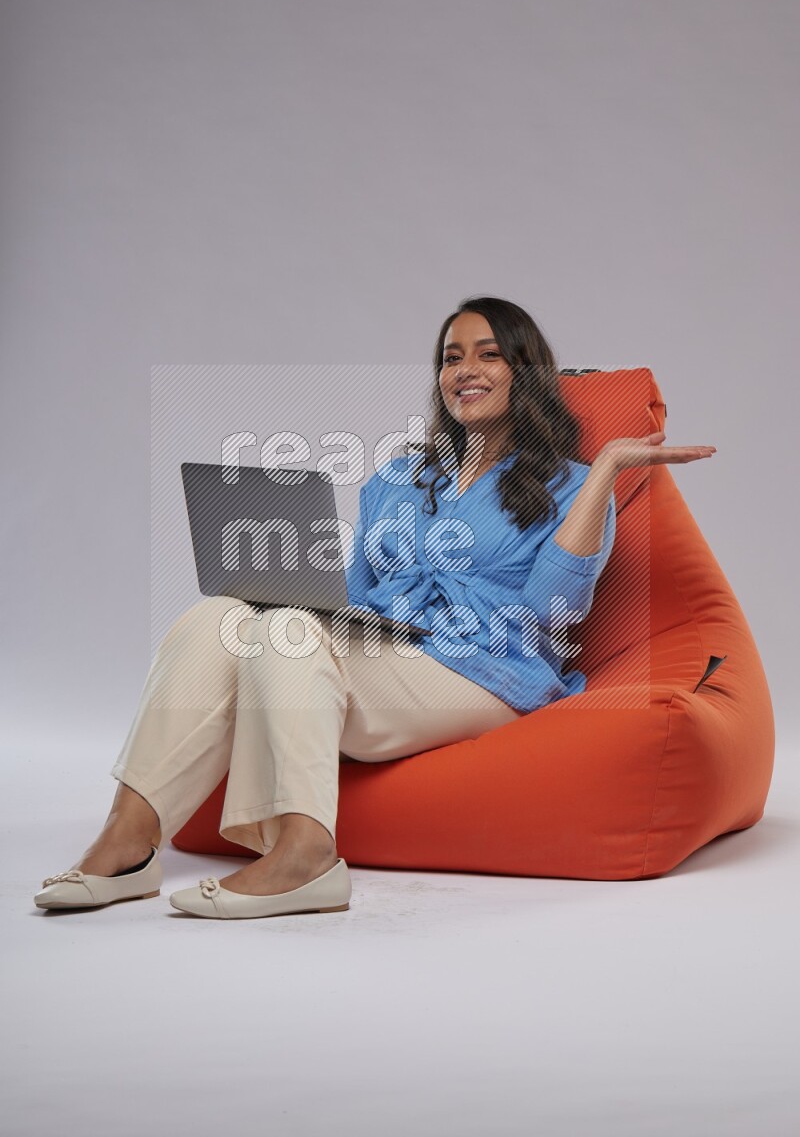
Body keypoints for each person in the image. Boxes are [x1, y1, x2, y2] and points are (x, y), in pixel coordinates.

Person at [33, 296, 716, 919]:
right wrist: (293, 598)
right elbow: (356, 595)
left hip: (489, 669)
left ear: (524, 373)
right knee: (219, 618)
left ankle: (306, 856)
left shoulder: (567, 483)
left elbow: (553, 608)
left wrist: (602, 474)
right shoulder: (399, 476)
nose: (464, 370)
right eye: (452, 357)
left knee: (288, 632)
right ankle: (129, 838)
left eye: (488, 354)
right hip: (390, 649)